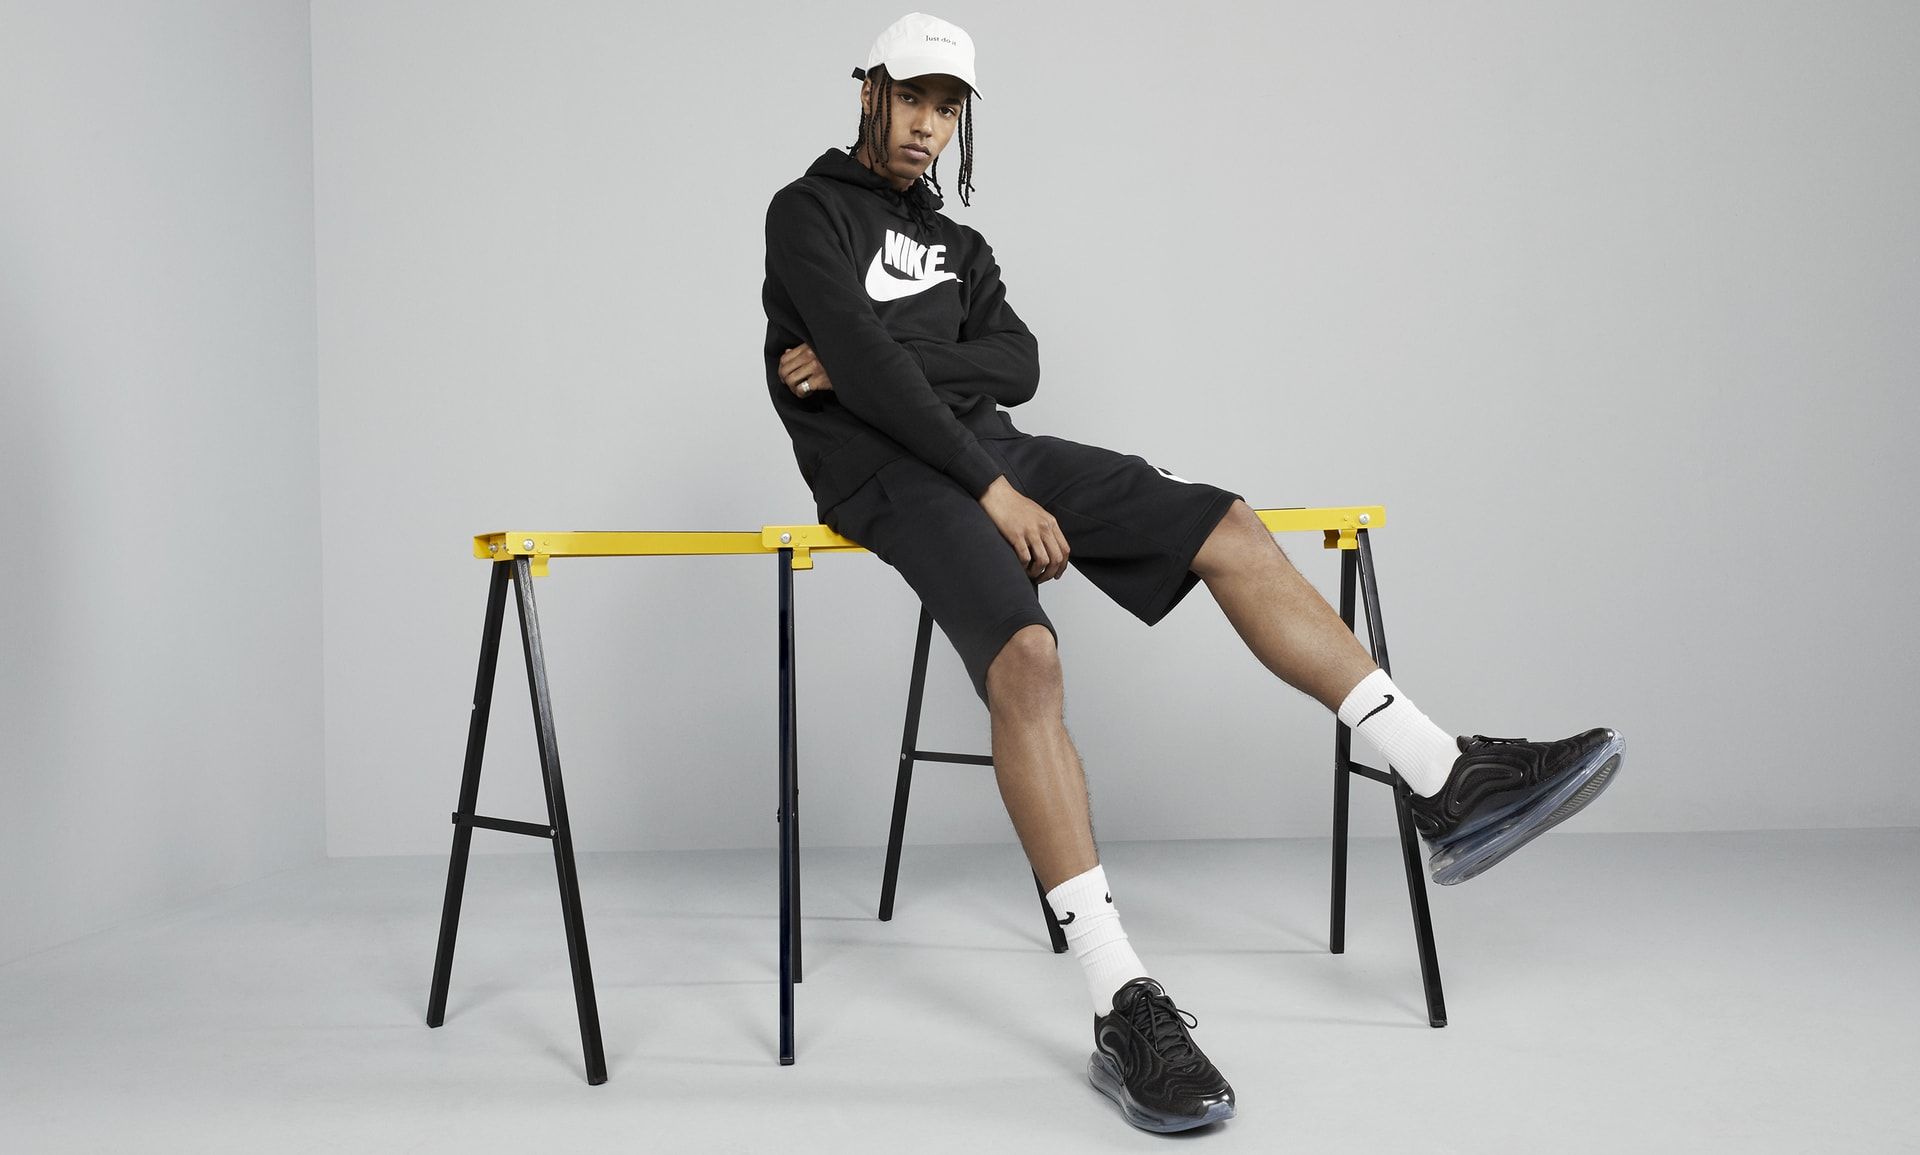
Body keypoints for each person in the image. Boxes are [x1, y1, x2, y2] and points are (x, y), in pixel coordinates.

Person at [760, 12, 1624, 1135]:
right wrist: (978, 474)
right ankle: (1122, 1001)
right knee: (1028, 661)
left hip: (993, 450)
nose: (928, 125)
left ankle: (1441, 774)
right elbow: (881, 384)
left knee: (1228, 523)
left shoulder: (962, 246)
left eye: (949, 107)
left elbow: (1018, 360)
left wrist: (881, 360)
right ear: (868, 90)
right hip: (884, 476)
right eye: (912, 98)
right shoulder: (806, 212)